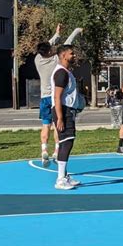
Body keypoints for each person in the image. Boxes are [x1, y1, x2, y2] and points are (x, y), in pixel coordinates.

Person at [35, 24, 82, 166]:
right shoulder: (57, 59)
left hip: (44, 97)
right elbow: (67, 44)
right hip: (55, 96)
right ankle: (56, 151)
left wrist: (56, 36)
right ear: (51, 51)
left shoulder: (37, 59)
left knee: (45, 125)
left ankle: (44, 149)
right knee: (58, 126)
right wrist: (76, 31)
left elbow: (44, 46)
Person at [51, 44, 82, 190]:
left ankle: (65, 176)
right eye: (71, 54)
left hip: (67, 110)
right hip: (62, 110)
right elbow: (57, 97)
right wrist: (60, 118)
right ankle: (60, 179)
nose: (74, 56)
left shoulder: (66, 72)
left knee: (66, 142)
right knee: (67, 142)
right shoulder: (61, 73)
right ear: (63, 55)